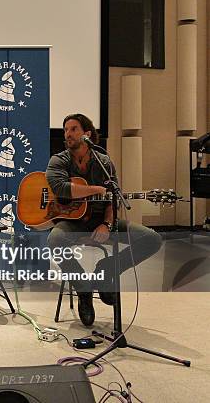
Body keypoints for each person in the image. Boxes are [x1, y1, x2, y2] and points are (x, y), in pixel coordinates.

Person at [45, 113, 162, 327]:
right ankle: (84, 289)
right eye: (66, 130)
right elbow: (60, 188)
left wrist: (107, 224)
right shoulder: (58, 160)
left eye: (73, 129)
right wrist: (95, 189)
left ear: (87, 134)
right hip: (73, 222)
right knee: (55, 240)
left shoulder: (104, 161)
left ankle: (107, 268)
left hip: (101, 218)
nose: (67, 134)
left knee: (152, 239)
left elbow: (113, 199)